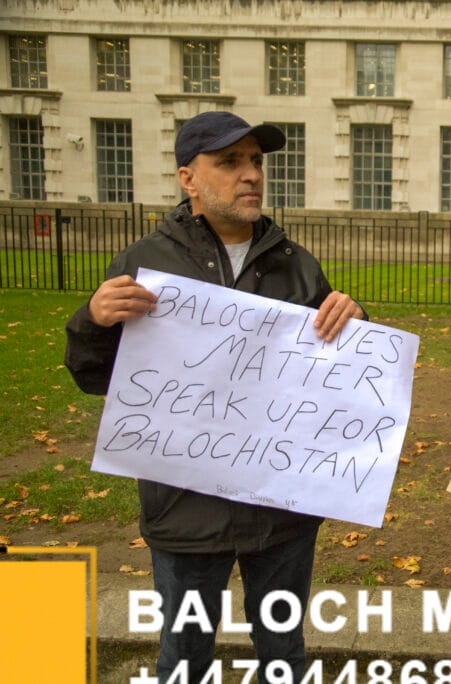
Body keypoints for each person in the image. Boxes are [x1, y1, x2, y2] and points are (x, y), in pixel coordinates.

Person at [65, 111, 364, 683]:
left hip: (281, 512)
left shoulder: (296, 264)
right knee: (184, 658)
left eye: (255, 161)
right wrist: (94, 320)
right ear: (189, 179)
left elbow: (336, 375)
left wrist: (353, 320)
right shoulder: (144, 265)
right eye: (229, 162)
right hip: (185, 511)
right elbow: (95, 376)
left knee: (284, 656)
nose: (250, 174)